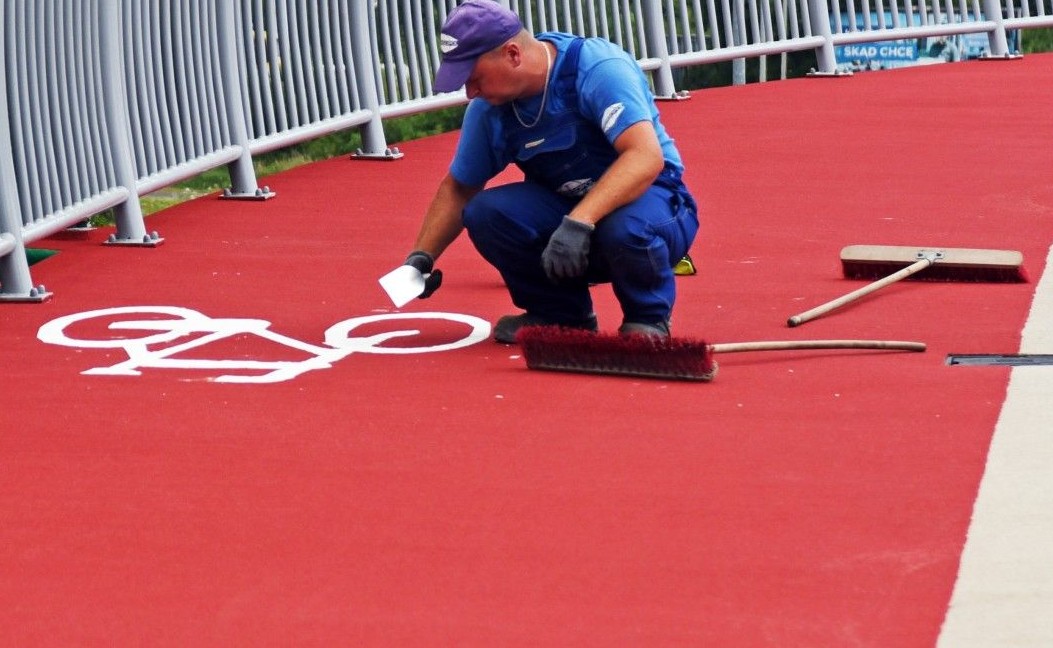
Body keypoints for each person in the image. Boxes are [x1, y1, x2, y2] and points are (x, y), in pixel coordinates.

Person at [391, 0, 699, 343]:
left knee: (624, 228)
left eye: (475, 78)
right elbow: (459, 189)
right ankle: (562, 315)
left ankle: (648, 320)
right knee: (485, 212)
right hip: (569, 225)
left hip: (653, 206)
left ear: (512, 54)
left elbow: (644, 157)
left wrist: (580, 221)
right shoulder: (489, 110)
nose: (470, 92)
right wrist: (420, 259)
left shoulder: (598, 68)